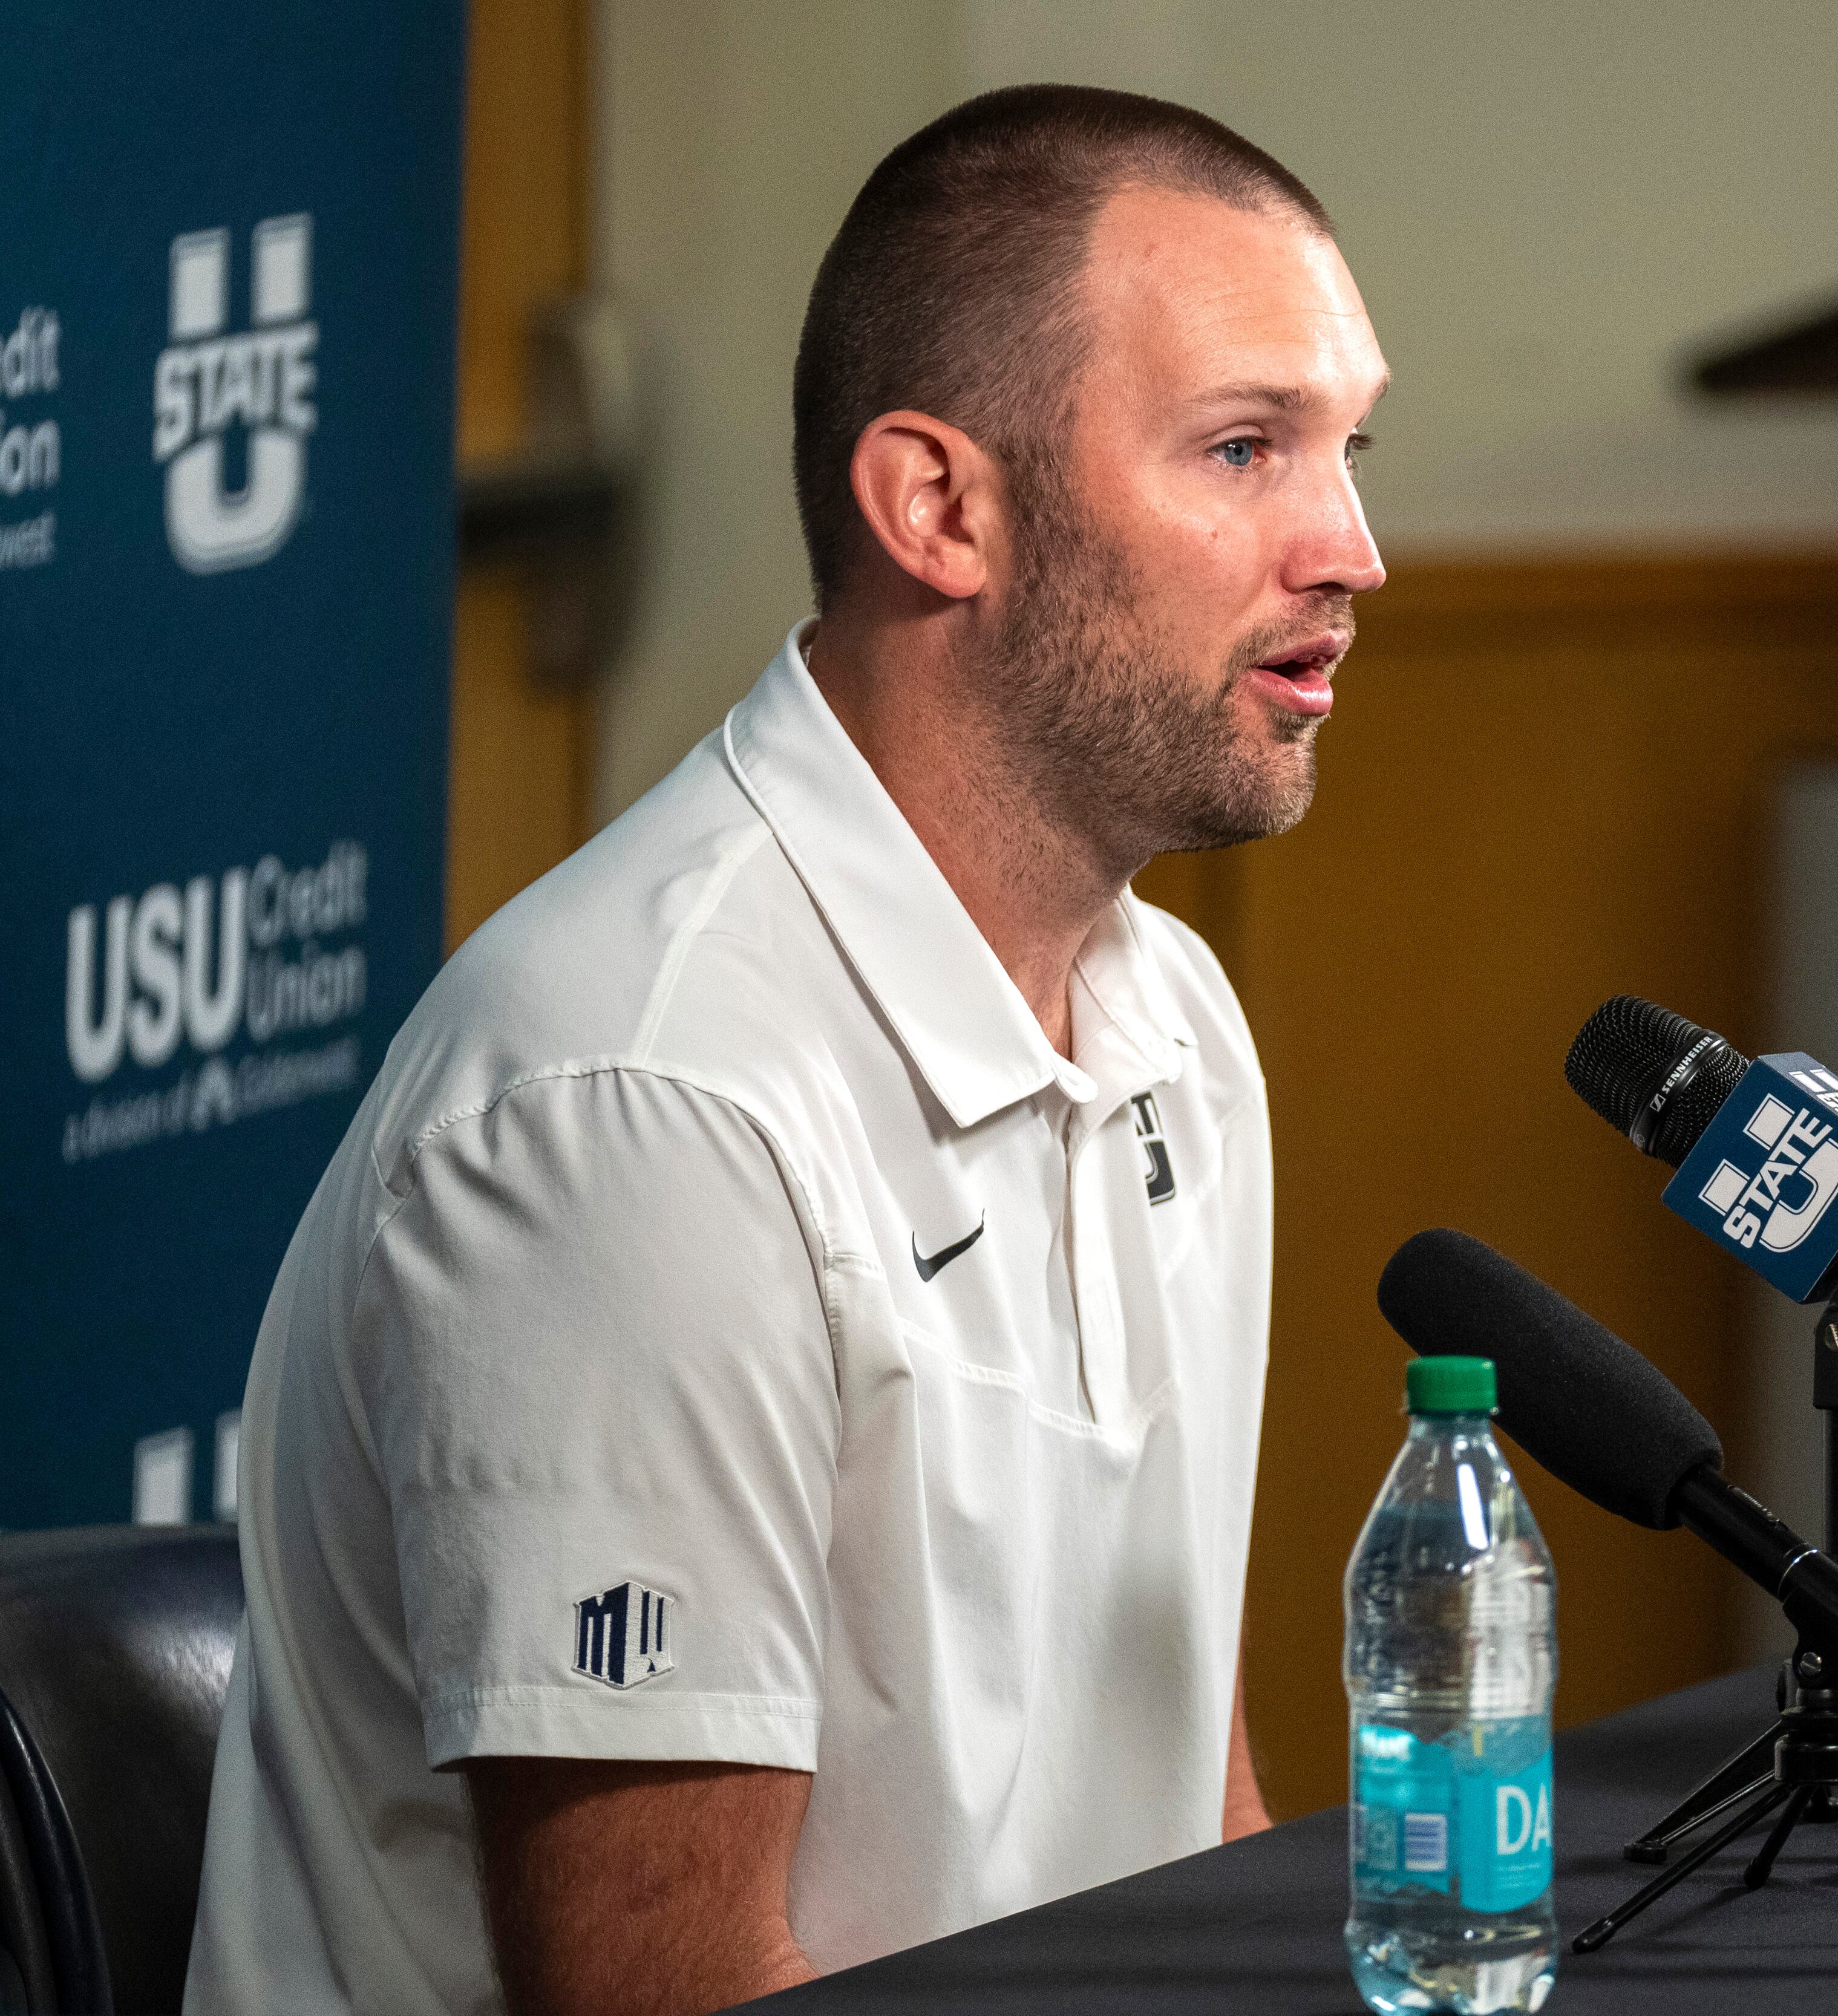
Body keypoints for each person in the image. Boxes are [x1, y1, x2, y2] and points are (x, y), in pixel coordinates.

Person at [186, 85, 1387, 2016]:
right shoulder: (635, 1109)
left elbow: (1183, 1790)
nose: (1353, 548)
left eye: (1349, 447)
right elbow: (669, 1994)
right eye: (1247, 447)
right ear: (940, 508)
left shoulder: (1176, 1021)